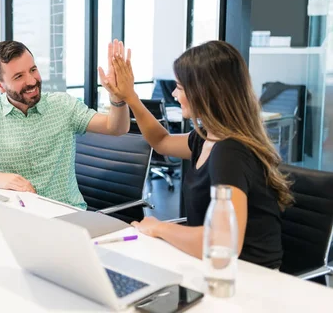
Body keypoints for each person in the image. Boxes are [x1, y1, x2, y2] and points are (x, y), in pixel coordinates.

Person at [102, 40, 293, 269]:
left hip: (245, 279)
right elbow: (162, 141)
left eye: (180, 87)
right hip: (211, 267)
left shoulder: (230, 152)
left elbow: (223, 242)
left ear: (206, 92)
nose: (174, 93)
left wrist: (159, 227)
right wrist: (130, 97)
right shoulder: (206, 138)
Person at [0, 39, 131, 209]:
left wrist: (117, 96)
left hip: (66, 214)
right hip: (16, 214)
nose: (31, 81)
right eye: (18, 76)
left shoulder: (63, 105)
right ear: (0, 86)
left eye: (33, 70)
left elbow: (116, 127)